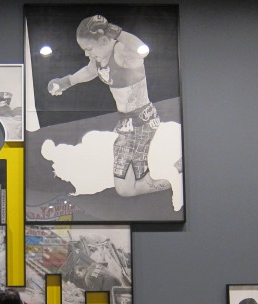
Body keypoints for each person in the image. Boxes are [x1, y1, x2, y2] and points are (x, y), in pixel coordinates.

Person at [48, 15, 181, 209]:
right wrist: (65, 82)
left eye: (88, 49)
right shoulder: (100, 58)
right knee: (127, 189)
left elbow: (141, 50)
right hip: (127, 124)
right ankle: (174, 171)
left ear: (103, 40)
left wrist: (115, 31)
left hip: (142, 122)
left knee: (126, 189)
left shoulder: (122, 51)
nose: (87, 54)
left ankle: (176, 171)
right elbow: (89, 71)